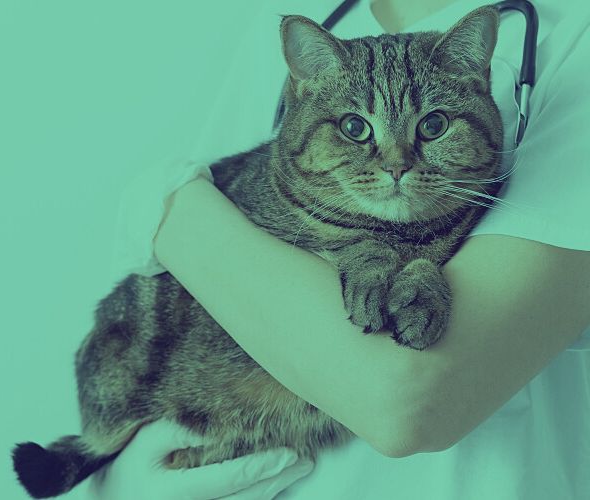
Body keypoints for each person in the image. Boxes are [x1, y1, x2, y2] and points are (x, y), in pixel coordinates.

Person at [87, 0, 590, 498]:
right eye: (356, 129)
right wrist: (114, 486)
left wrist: (166, 205)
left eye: (431, 128)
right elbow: (197, 277)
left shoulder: (574, 35)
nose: (396, 163)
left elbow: (405, 405)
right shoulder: (299, 20)